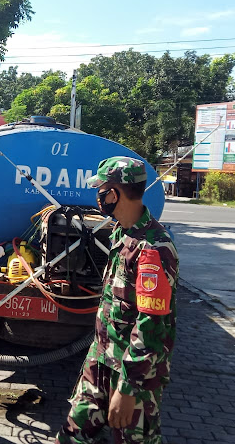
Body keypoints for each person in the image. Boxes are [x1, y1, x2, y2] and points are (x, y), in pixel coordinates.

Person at [56, 157, 178, 444]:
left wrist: (127, 387)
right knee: (72, 436)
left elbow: (151, 325)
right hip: (101, 361)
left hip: (132, 375)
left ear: (115, 193)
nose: (97, 196)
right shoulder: (121, 233)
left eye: (101, 189)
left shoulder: (153, 248)